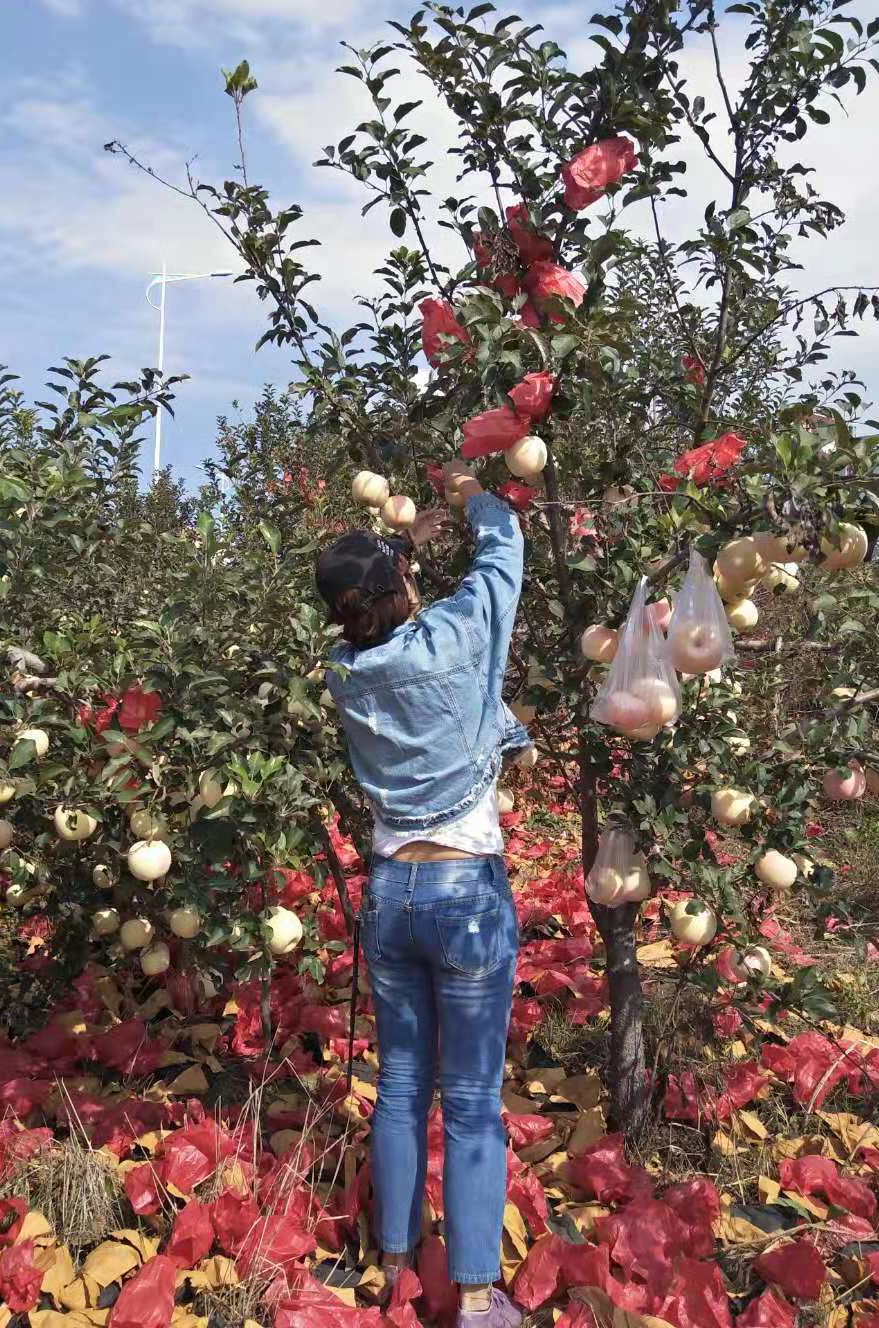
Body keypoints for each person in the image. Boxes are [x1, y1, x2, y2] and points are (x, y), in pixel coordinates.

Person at [315, 461, 529, 1327]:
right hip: (463, 891)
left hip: (391, 896)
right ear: (401, 589)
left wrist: (404, 552)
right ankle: (477, 1296)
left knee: (402, 1081)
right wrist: (471, 492)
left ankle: (394, 1260)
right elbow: (503, 555)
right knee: (472, 1098)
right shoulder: (455, 638)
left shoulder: (345, 669)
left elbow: (382, 614)